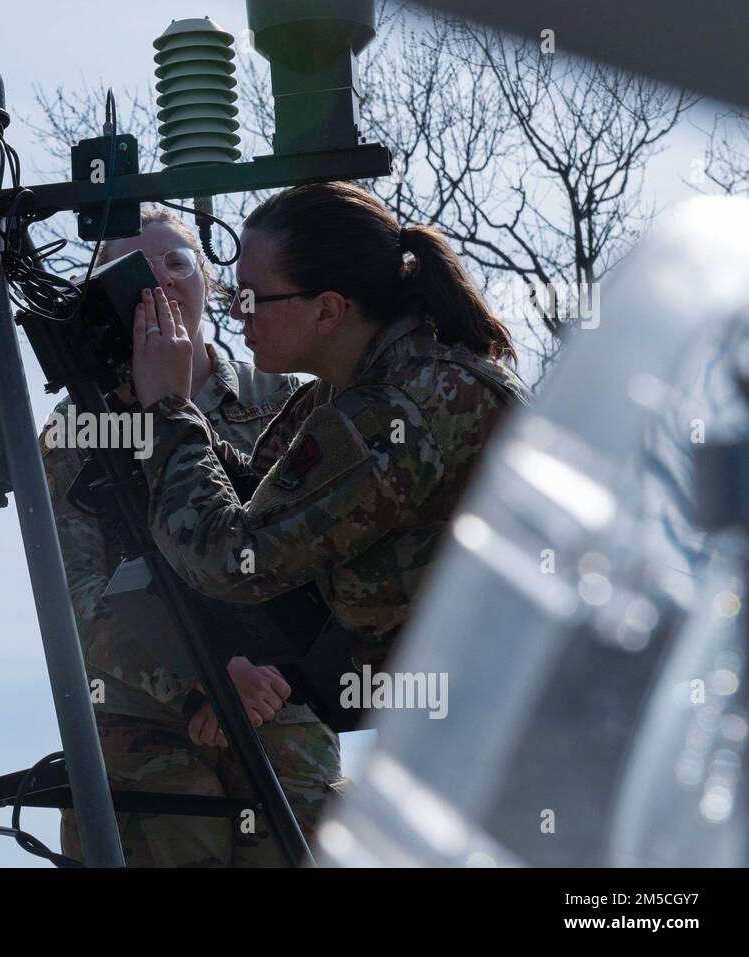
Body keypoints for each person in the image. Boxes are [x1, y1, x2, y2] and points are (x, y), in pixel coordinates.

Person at [131, 181, 532, 698]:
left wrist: (167, 409)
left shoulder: (400, 408)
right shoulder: (353, 386)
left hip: (504, 719)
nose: (235, 313)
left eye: (253, 297)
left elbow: (230, 560)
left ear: (327, 310)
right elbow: (263, 496)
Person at [41, 206, 343, 867]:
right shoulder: (79, 428)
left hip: (278, 696)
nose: (160, 279)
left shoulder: (283, 399)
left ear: (209, 279)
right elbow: (80, 594)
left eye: (177, 261)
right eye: (135, 268)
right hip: (144, 709)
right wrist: (199, 677)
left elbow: (323, 559)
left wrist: (261, 674)